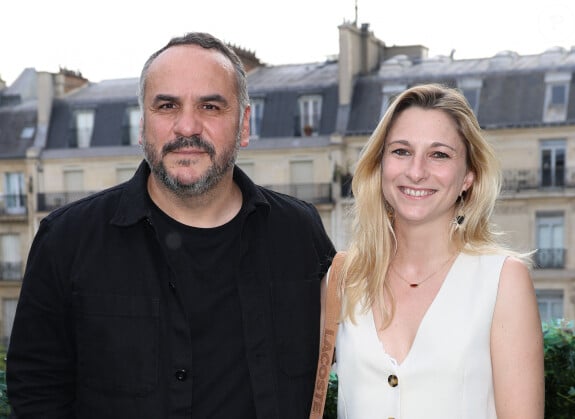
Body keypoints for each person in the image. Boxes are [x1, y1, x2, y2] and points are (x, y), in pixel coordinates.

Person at [7, 32, 335, 419]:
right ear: (143, 123)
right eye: (167, 106)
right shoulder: (67, 240)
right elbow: (36, 390)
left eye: (210, 106)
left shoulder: (298, 234)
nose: (187, 127)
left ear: (244, 124)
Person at [330, 83, 544, 418]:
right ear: (380, 164)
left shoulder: (502, 280)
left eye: (439, 154)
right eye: (401, 151)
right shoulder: (343, 278)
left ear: (468, 177)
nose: (416, 172)